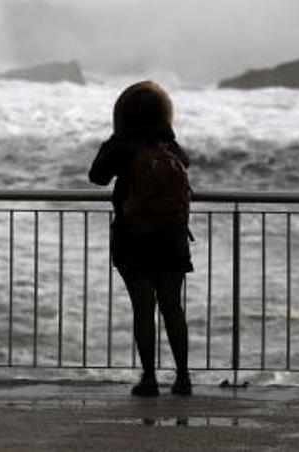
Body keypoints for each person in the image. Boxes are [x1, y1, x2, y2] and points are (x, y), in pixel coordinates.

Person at [88, 80, 193, 397]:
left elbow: (97, 176)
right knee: (173, 307)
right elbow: (185, 162)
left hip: (133, 238)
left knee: (143, 309)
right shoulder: (170, 146)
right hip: (173, 237)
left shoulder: (123, 145)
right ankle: (183, 377)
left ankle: (149, 378)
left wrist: (116, 138)